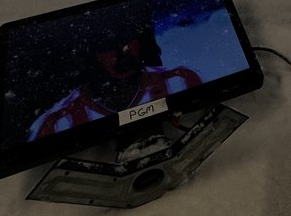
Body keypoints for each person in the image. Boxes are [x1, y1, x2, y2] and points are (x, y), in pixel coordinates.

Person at [27, 21, 202, 139]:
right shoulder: (58, 123)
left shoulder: (181, 81)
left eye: (128, 40)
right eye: (109, 45)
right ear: (95, 55)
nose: (123, 51)